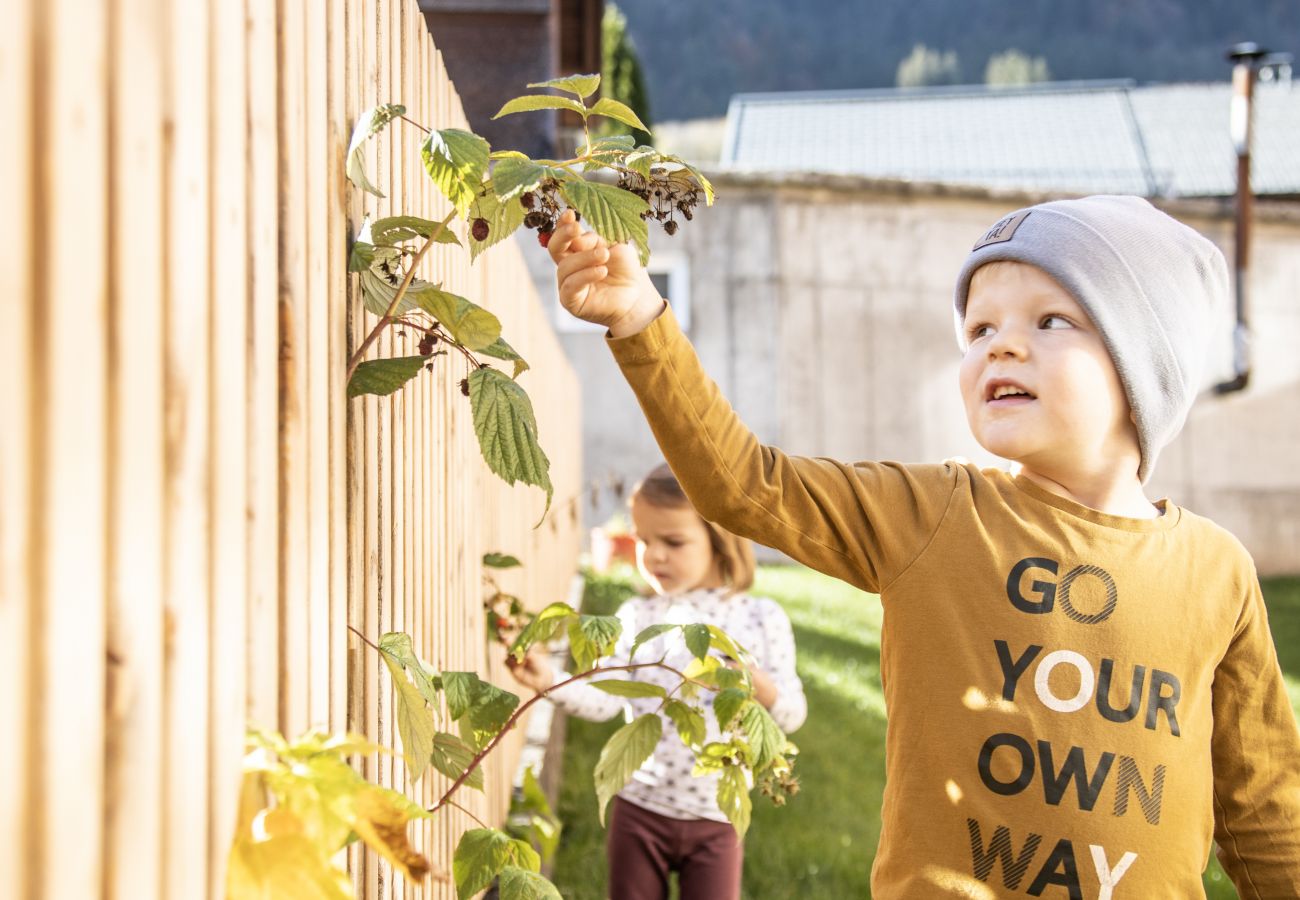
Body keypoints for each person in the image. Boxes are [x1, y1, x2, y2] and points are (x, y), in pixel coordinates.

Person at [543, 196, 1300, 898]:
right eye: (979, 329)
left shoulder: (1218, 571)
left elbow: (1261, 805)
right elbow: (744, 484)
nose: (1002, 346)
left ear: (1145, 365)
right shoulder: (935, 514)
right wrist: (639, 317)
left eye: (1051, 321)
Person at [507, 463, 806, 900]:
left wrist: (758, 684)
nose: (654, 555)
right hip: (639, 812)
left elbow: (793, 714)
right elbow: (605, 699)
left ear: (719, 539)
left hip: (718, 819)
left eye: (673, 541)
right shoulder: (638, 616)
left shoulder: (761, 619)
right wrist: (549, 680)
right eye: (644, 540)